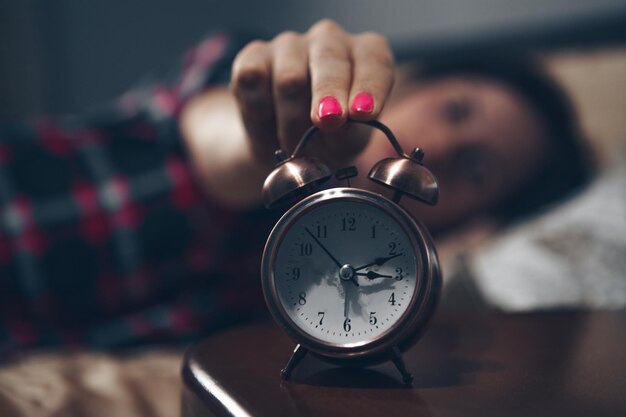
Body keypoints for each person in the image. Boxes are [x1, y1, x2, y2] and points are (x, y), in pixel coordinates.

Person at [0, 20, 590, 354]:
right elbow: (215, 136)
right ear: (415, 86)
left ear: (470, 223)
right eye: (455, 110)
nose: (436, 147)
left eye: (477, 170)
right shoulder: (246, 84)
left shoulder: (332, 311)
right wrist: (266, 135)